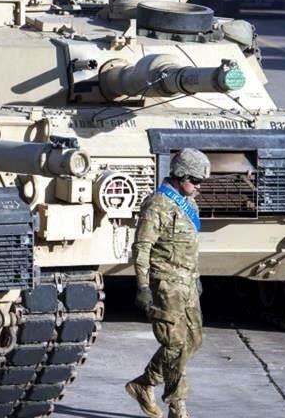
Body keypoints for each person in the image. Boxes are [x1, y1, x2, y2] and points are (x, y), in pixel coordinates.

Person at [125, 148, 210, 418]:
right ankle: (177, 406)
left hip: (187, 283)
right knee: (174, 345)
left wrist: (195, 278)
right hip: (165, 284)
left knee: (193, 341)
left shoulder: (190, 204)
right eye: (194, 181)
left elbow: (190, 247)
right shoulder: (157, 204)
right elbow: (142, 248)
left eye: (200, 182)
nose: (197, 187)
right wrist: (143, 288)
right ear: (180, 175)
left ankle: (144, 383)